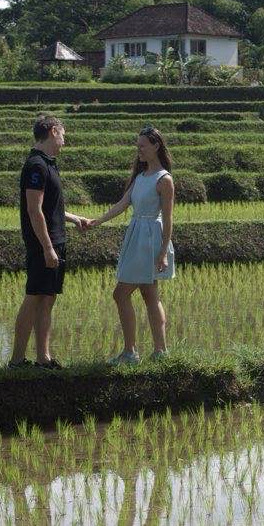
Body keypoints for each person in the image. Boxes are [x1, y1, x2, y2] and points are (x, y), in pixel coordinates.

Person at [86, 125, 175, 365]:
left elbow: (168, 219)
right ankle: (159, 352)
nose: (139, 151)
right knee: (149, 294)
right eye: (138, 147)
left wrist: (163, 252)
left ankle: (131, 352)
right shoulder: (140, 177)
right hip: (136, 235)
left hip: (150, 240)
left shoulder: (164, 180)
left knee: (121, 293)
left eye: (143, 146)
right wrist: (97, 221)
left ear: (156, 146)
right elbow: (122, 204)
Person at [7, 115, 90, 369]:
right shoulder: (36, 166)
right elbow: (34, 210)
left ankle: (44, 358)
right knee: (34, 297)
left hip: (55, 240)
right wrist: (47, 248)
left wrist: (74, 218)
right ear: (54, 131)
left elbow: (50, 207)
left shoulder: (49, 164)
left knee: (48, 298)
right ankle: (17, 360)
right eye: (63, 135)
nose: (64, 141)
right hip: (44, 244)